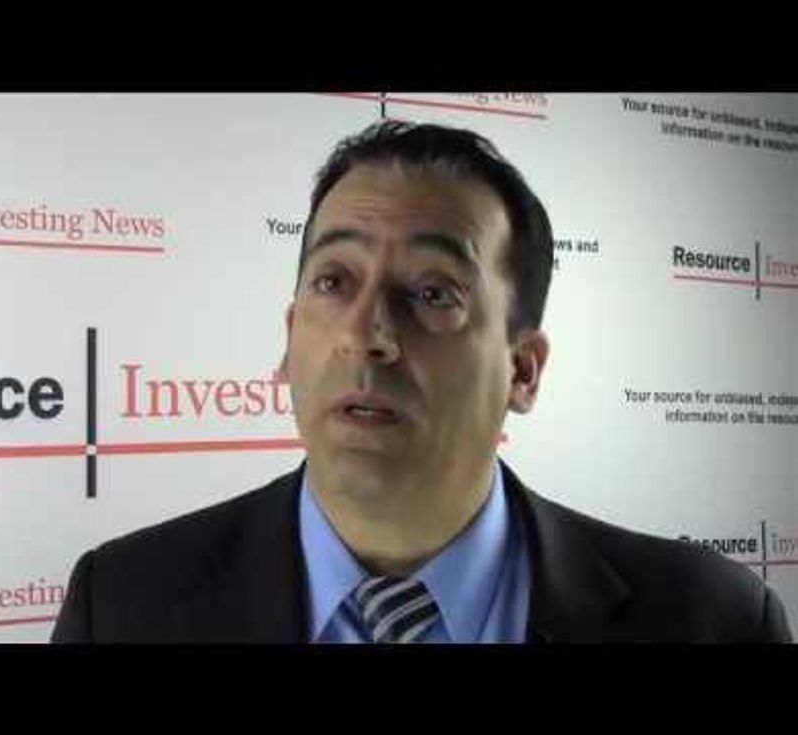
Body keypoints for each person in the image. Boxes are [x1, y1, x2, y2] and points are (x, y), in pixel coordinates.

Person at [51, 120, 792, 643]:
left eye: (433, 292)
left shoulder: (713, 618)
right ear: (288, 341)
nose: (366, 335)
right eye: (334, 281)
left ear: (523, 371)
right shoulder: (119, 605)